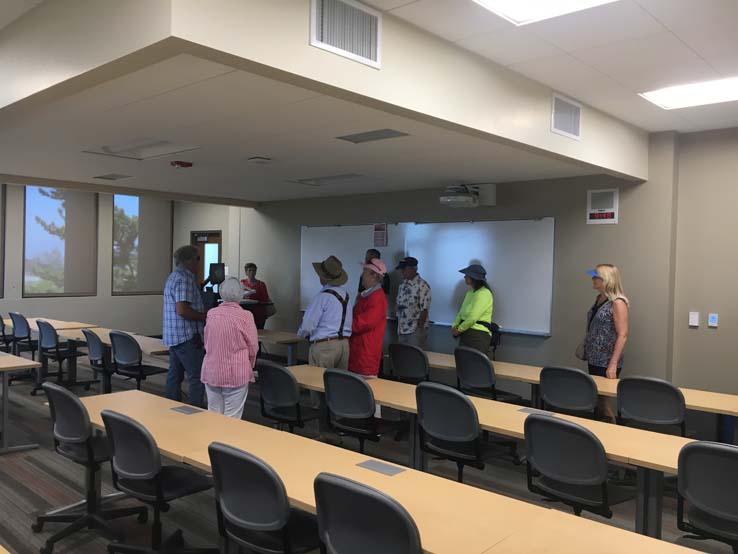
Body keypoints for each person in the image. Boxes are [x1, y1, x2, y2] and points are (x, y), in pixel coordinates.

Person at [201, 277, 259, 418]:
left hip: (212, 370)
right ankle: (226, 440)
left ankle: (213, 439)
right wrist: (249, 366)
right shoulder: (246, 316)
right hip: (236, 373)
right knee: (232, 418)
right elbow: (253, 347)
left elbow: (207, 342)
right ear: (241, 294)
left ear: (221, 293)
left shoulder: (211, 314)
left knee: (213, 414)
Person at [584, 264, 629, 420]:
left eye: (596, 276)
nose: (592, 279)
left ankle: (612, 432)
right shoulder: (599, 299)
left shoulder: (618, 303)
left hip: (607, 361)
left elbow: (622, 334)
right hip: (594, 358)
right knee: (597, 399)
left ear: (606, 280)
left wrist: (613, 364)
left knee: (604, 403)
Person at [163, 245, 207, 407]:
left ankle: (171, 408)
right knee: (196, 376)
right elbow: (182, 310)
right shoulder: (185, 279)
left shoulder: (173, 277)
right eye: (198, 259)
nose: (199, 263)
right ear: (189, 260)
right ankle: (195, 412)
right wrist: (205, 316)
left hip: (174, 336)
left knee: (174, 375)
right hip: (187, 336)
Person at [298, 255, 352, 369]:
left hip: (324, 346)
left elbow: (308, 325)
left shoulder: (322, 297)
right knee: (338, 383)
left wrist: (300, 335)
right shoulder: (346, 296)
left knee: (318, 383)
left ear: (323, 277)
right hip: (344, 345)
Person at [349, 259, 388, 378]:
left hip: (365, 355)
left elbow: (364, 323)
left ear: (374, 276)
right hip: (358, 352)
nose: (362, 275)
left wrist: (342, 325)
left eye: (365, 272)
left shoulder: (377, 298)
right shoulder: (367, 295)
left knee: (362, 391)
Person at [451, 264, 494, 357]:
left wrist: (459, 329)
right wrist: (454, 325)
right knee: (464, 364)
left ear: (474, 278)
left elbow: (473, 317)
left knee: (475, 365)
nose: (464, 277)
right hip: (466, 332)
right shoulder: (470, 293)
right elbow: (461, 312)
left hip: (478, 335)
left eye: (467, 275)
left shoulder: (484, 293)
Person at [395, 256, 431, 348]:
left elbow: (424, 310)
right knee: (402, 356)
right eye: (401, 269)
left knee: (414, 357)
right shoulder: (402, 284)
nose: (402, 272)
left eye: (404, 269)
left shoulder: (423, 286)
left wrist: (419, 330)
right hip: (402, 328)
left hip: (414, 331)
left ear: (414, 269)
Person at [241, 262, 271, 329]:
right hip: (245, 315)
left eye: (254, 270)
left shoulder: (261, 284)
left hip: (259, 315)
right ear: (246, 272)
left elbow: (266, 299)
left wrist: (256, 301)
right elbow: (237, 297)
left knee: (259, 335)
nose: (252, 272)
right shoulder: (242, 283)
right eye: (250, 270)